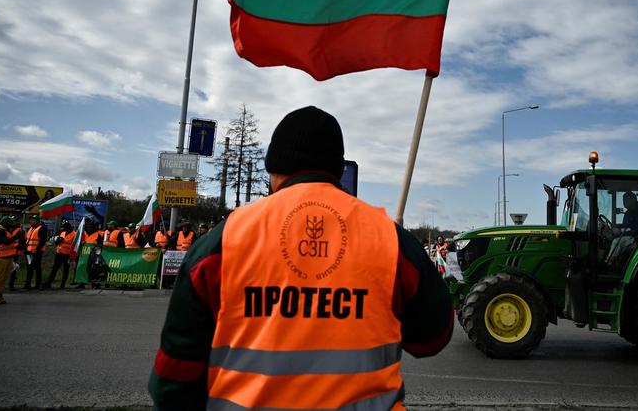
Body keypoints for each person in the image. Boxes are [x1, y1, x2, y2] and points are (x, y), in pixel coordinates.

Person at [149, 106, 453, 409]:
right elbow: (433, 338)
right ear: (338, 170)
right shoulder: (389, 239)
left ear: (274, 170)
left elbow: (174, 377)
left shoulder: (224, 240)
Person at [0, 216, 23, 305]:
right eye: (10, 223)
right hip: (1, 258)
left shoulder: (6, 231)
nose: (12, 225)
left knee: (3, 278)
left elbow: (10, 244)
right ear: (6, 223)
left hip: (8, 257)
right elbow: (5, 241)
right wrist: (16, 236)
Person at [44, 221, 76, 289]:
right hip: (59, 253)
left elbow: (75, 245)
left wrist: (72, 256)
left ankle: (63, 284)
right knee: (55, 268)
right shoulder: (62, 233)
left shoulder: (74, 234)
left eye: (65, 228)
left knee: (66, 270)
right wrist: (58, 240)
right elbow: (57, 243)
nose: (64, 229)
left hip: (67, 255)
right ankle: (49, 283)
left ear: (69, 228)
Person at [24, 214, 48, 290]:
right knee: (29, 268)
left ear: (38, 221)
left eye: (33, 220)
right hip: (29, 252)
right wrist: (25, 249)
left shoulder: (42, 228)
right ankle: (27, 284)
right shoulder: (31, 228)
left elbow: (43, 241)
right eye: (31, 220)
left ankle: (38, 284)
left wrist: (37, 249)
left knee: (37, 267)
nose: (31, 221)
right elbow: (27, 240)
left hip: (37, 252)